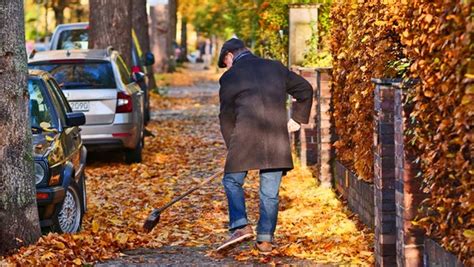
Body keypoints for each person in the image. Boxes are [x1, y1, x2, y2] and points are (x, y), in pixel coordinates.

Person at [216, 38, 313, 254]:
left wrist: (231, 144)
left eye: (226, 62)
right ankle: (265, 239)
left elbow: (226, 117)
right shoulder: (275, 67)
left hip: (243, 139)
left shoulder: (230, 77)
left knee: (232, 181)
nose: (227, 66)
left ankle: (241, 226)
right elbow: (305, 89)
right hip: (275, 139)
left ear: (230, 55)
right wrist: (297, 119)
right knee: (269, 193)